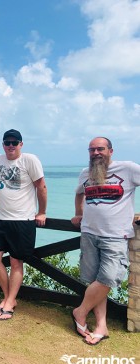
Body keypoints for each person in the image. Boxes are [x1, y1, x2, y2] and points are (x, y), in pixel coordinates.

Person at [71, 137, 140, 345]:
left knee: (108, 278)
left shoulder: (127, 169)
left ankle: (79, 312)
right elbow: (79, 194)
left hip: (116, 235)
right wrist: (78, 213)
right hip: (89, 233)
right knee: (95, 281)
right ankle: (102, 326)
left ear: (110, 150)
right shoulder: (86, 173)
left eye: (100, 149)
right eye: (92, 150)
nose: (96, 153)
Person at [0, 129, 47, 320]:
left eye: (15, 142)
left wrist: (42, 211)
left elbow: (41, 186)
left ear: (21, 144)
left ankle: (9, 302)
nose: (11, 146)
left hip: (23, 220)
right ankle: (9, 298)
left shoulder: (29, 160)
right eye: (7, 142)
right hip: (0, 219)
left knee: (16, 262)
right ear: (3, 144)